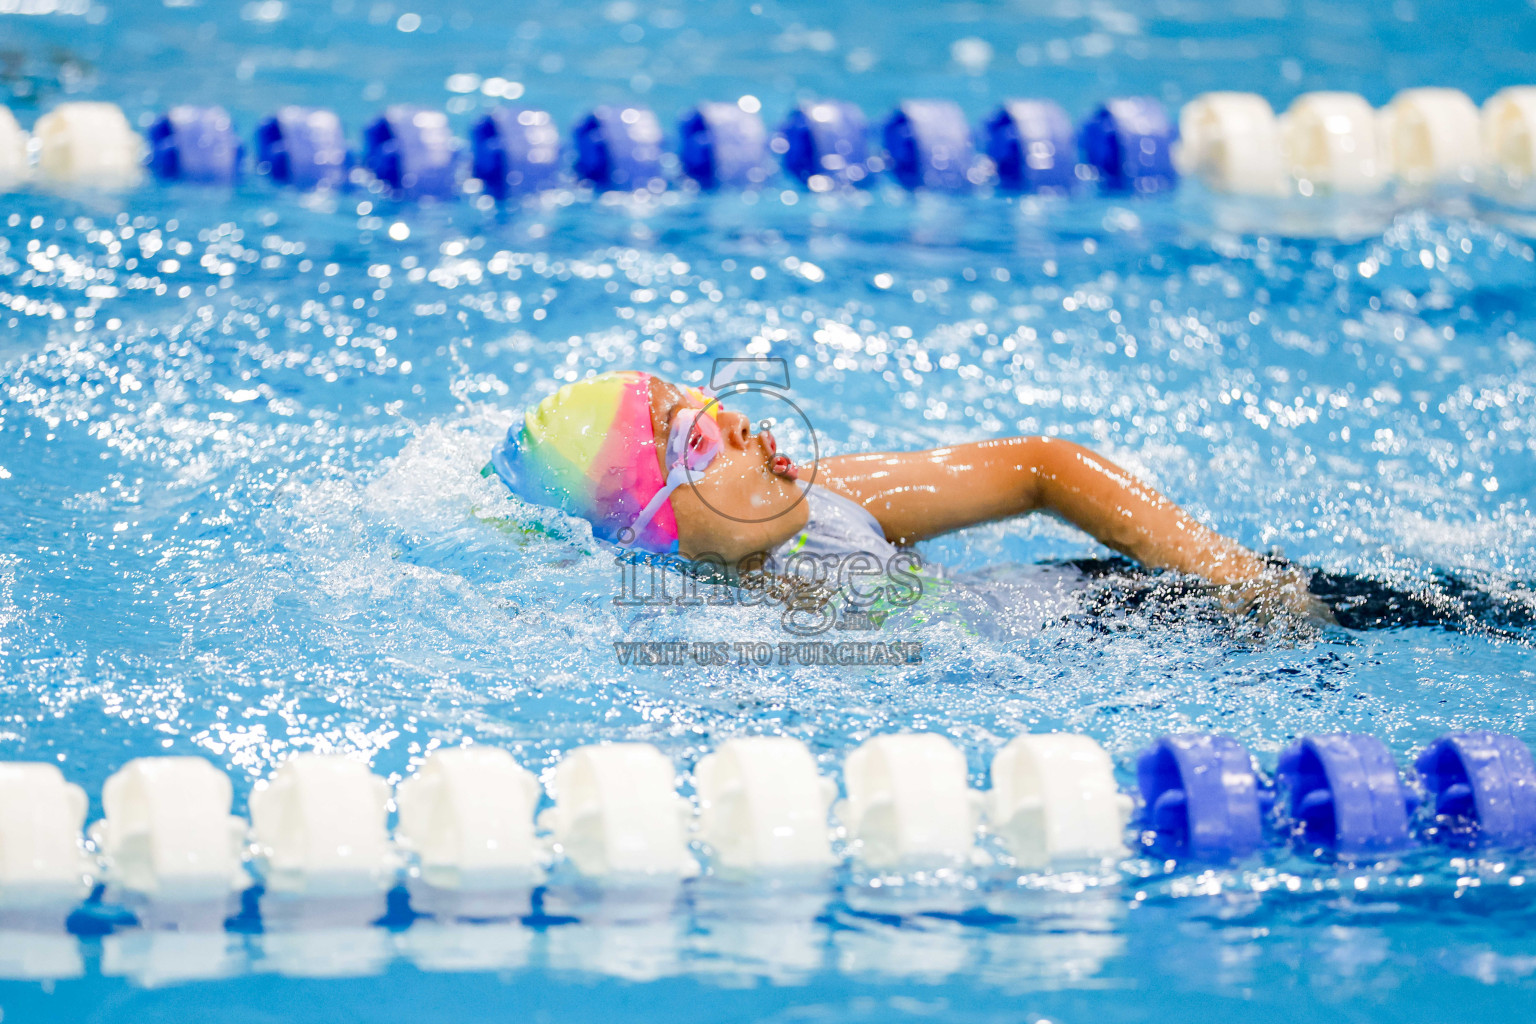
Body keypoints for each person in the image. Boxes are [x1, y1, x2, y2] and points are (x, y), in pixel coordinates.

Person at [488, 369, 1322, 621]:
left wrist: (1240, 580)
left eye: (715, 408)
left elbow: (1041, 466)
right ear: (655, 525)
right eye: (697, 437)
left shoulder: (821, 498)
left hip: (1122, 613)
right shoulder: (702, 644)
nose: (741, 422)